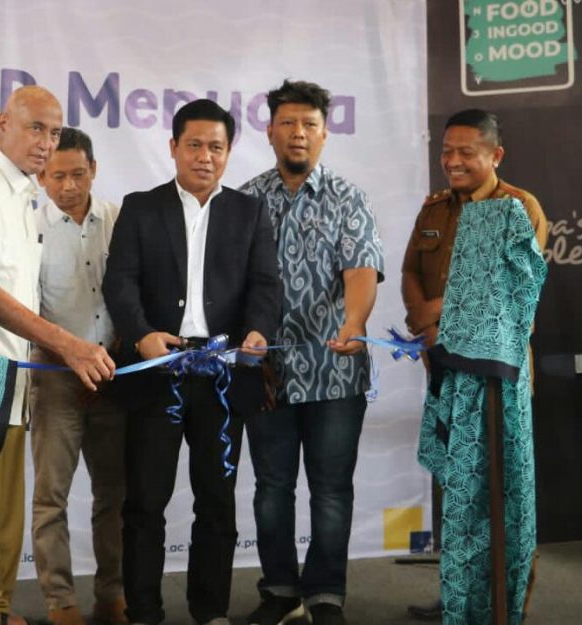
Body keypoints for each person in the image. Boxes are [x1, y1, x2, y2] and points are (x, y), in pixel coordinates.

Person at [0, 85, 116, 625]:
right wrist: (68, 344)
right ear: (2, 123)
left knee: (4, 515)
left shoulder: (20, 195)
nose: (45, 142)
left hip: (12, 381)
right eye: (35, 127)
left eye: (54, 132)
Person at [103, 98, 282, 625]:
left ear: (228, 152)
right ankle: (143, 612)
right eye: (195, 145)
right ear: (173, 147)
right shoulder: (141, 207)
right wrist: (141, 336)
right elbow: (120, 281)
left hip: (222, 376)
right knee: (145, 503)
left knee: (217, 502)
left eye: (216, 147)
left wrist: (258, 330)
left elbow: (266, 285)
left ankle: (210, 610)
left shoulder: (249, 212)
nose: (205, 156)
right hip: (158, 372)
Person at [239, 80, 384, 625]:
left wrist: (354, 323)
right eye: (288, 123)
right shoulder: (245, 200)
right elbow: (232, 283)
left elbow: (361, 270)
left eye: (309, 124)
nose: (298, 133)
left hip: (335, 371)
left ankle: (325, 594)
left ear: (324, 133)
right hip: (268, 373)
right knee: (271, 490)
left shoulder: (349, 198)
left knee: (330, 490)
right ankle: (279, 590)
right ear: (270, 131)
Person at [401, 108, 548, 621]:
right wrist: (425, 323)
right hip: (445, 368)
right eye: (447, 152)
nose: (453, 162)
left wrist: (435, 317)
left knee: (502, 492)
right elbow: (411, 272)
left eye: (466, 152)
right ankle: (460, 593)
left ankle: (508, 603)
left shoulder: (517, 208)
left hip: (495, 376)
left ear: (495, 155)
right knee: (459, 488)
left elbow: (501, 293)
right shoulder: (435, 209)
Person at [29, 128, 127, 625]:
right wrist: (68, 357)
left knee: (115, 496)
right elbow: (25, 310)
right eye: (58, 176)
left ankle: (113, 596)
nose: (69, 186)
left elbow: (135, 295)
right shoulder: (28, 229)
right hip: (54, 377)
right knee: (51, 498)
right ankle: (60, 602)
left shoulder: (120, 220)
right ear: (41, 177)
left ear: (94, 170)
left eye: (79, 174)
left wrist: (111, 357)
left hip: (115, 375)